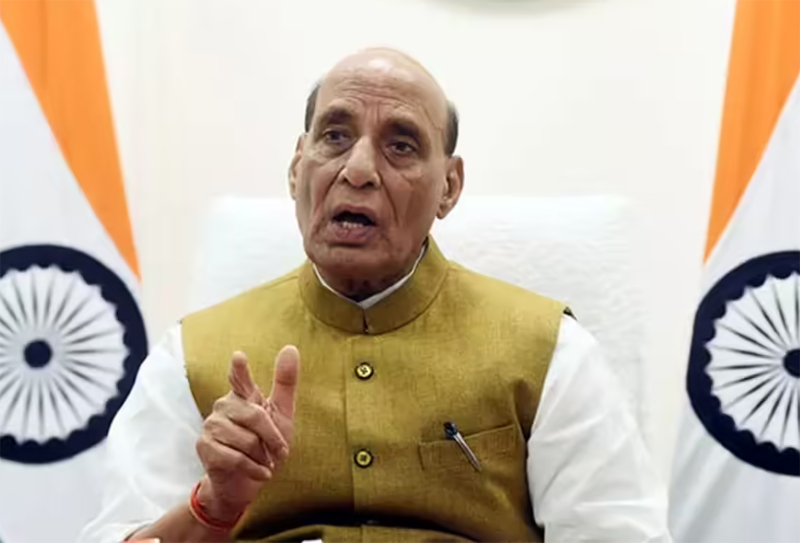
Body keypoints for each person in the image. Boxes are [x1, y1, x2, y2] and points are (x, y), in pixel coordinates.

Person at [81, 48, 671, 543]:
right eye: (335, 136)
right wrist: (212, 508)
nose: (358, 169)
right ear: (297, 168)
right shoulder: (191, 356)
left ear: (450, 186)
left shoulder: (551, 353)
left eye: (401, 146)